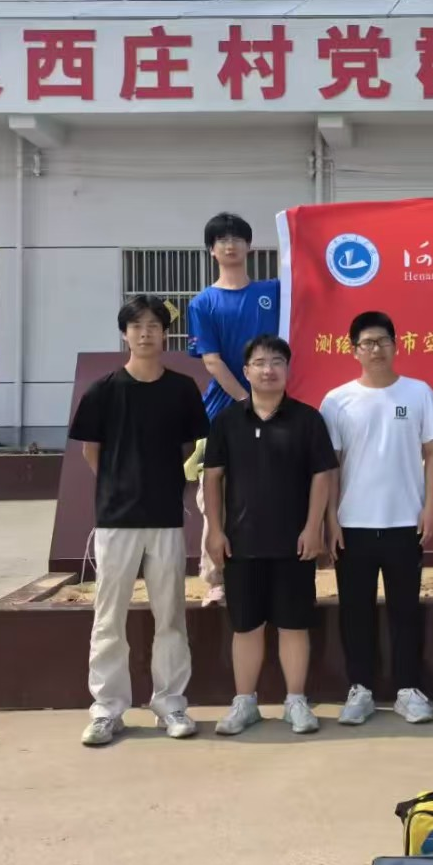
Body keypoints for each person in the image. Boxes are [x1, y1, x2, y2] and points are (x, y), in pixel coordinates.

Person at [68, 295, 209, 747]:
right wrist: (120, 487)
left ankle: (171, 704)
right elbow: (91, 452)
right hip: (116, 520)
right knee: (109, 617)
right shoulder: (103, 391)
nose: (145, 333)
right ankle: (107, 709)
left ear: (165, 333)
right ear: (125, 334)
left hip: (166, 518)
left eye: (153, 325)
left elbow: (192, 449)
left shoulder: (183, 389)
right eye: (136, 325)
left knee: (171, 615)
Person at [201, 334, 337, 737]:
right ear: (246, 371)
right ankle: (245, 702)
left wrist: (313, 527)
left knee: (294, 624)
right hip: (241, 544)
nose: (268, 370)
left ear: (287, 369)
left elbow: (322, 476)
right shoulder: (227, 422)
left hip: (294, 544)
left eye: (277, 362)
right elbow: (213, 478)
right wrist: (215, 531)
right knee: (246, 626)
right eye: (260, 363)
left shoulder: (307, 419)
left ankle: (296, 701)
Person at [319, 310, 433, 727]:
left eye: (383, 341)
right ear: (354, 350)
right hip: (352, 524)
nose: (376, 349)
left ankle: (409, 689)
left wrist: (431, 507)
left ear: (396, 344)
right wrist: (331, 520)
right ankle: (361, 689)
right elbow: (331, 466)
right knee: (355, 611)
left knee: (405, 610)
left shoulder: (418, 392)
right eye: (367, 343)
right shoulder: (337, 401)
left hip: (405, 521)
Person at [187, 212, 280, 607]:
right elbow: (211, 361)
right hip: (225, 411)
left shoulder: (274, 291)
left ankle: (275, 570)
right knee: (217, 496)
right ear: (211, 250)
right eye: (221, 239)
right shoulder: (203, 303)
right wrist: (247, 401)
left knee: (275, 490)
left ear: (249, 246)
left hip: (276, 406)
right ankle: (216, 578)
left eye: (237, 238)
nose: (230, 245)